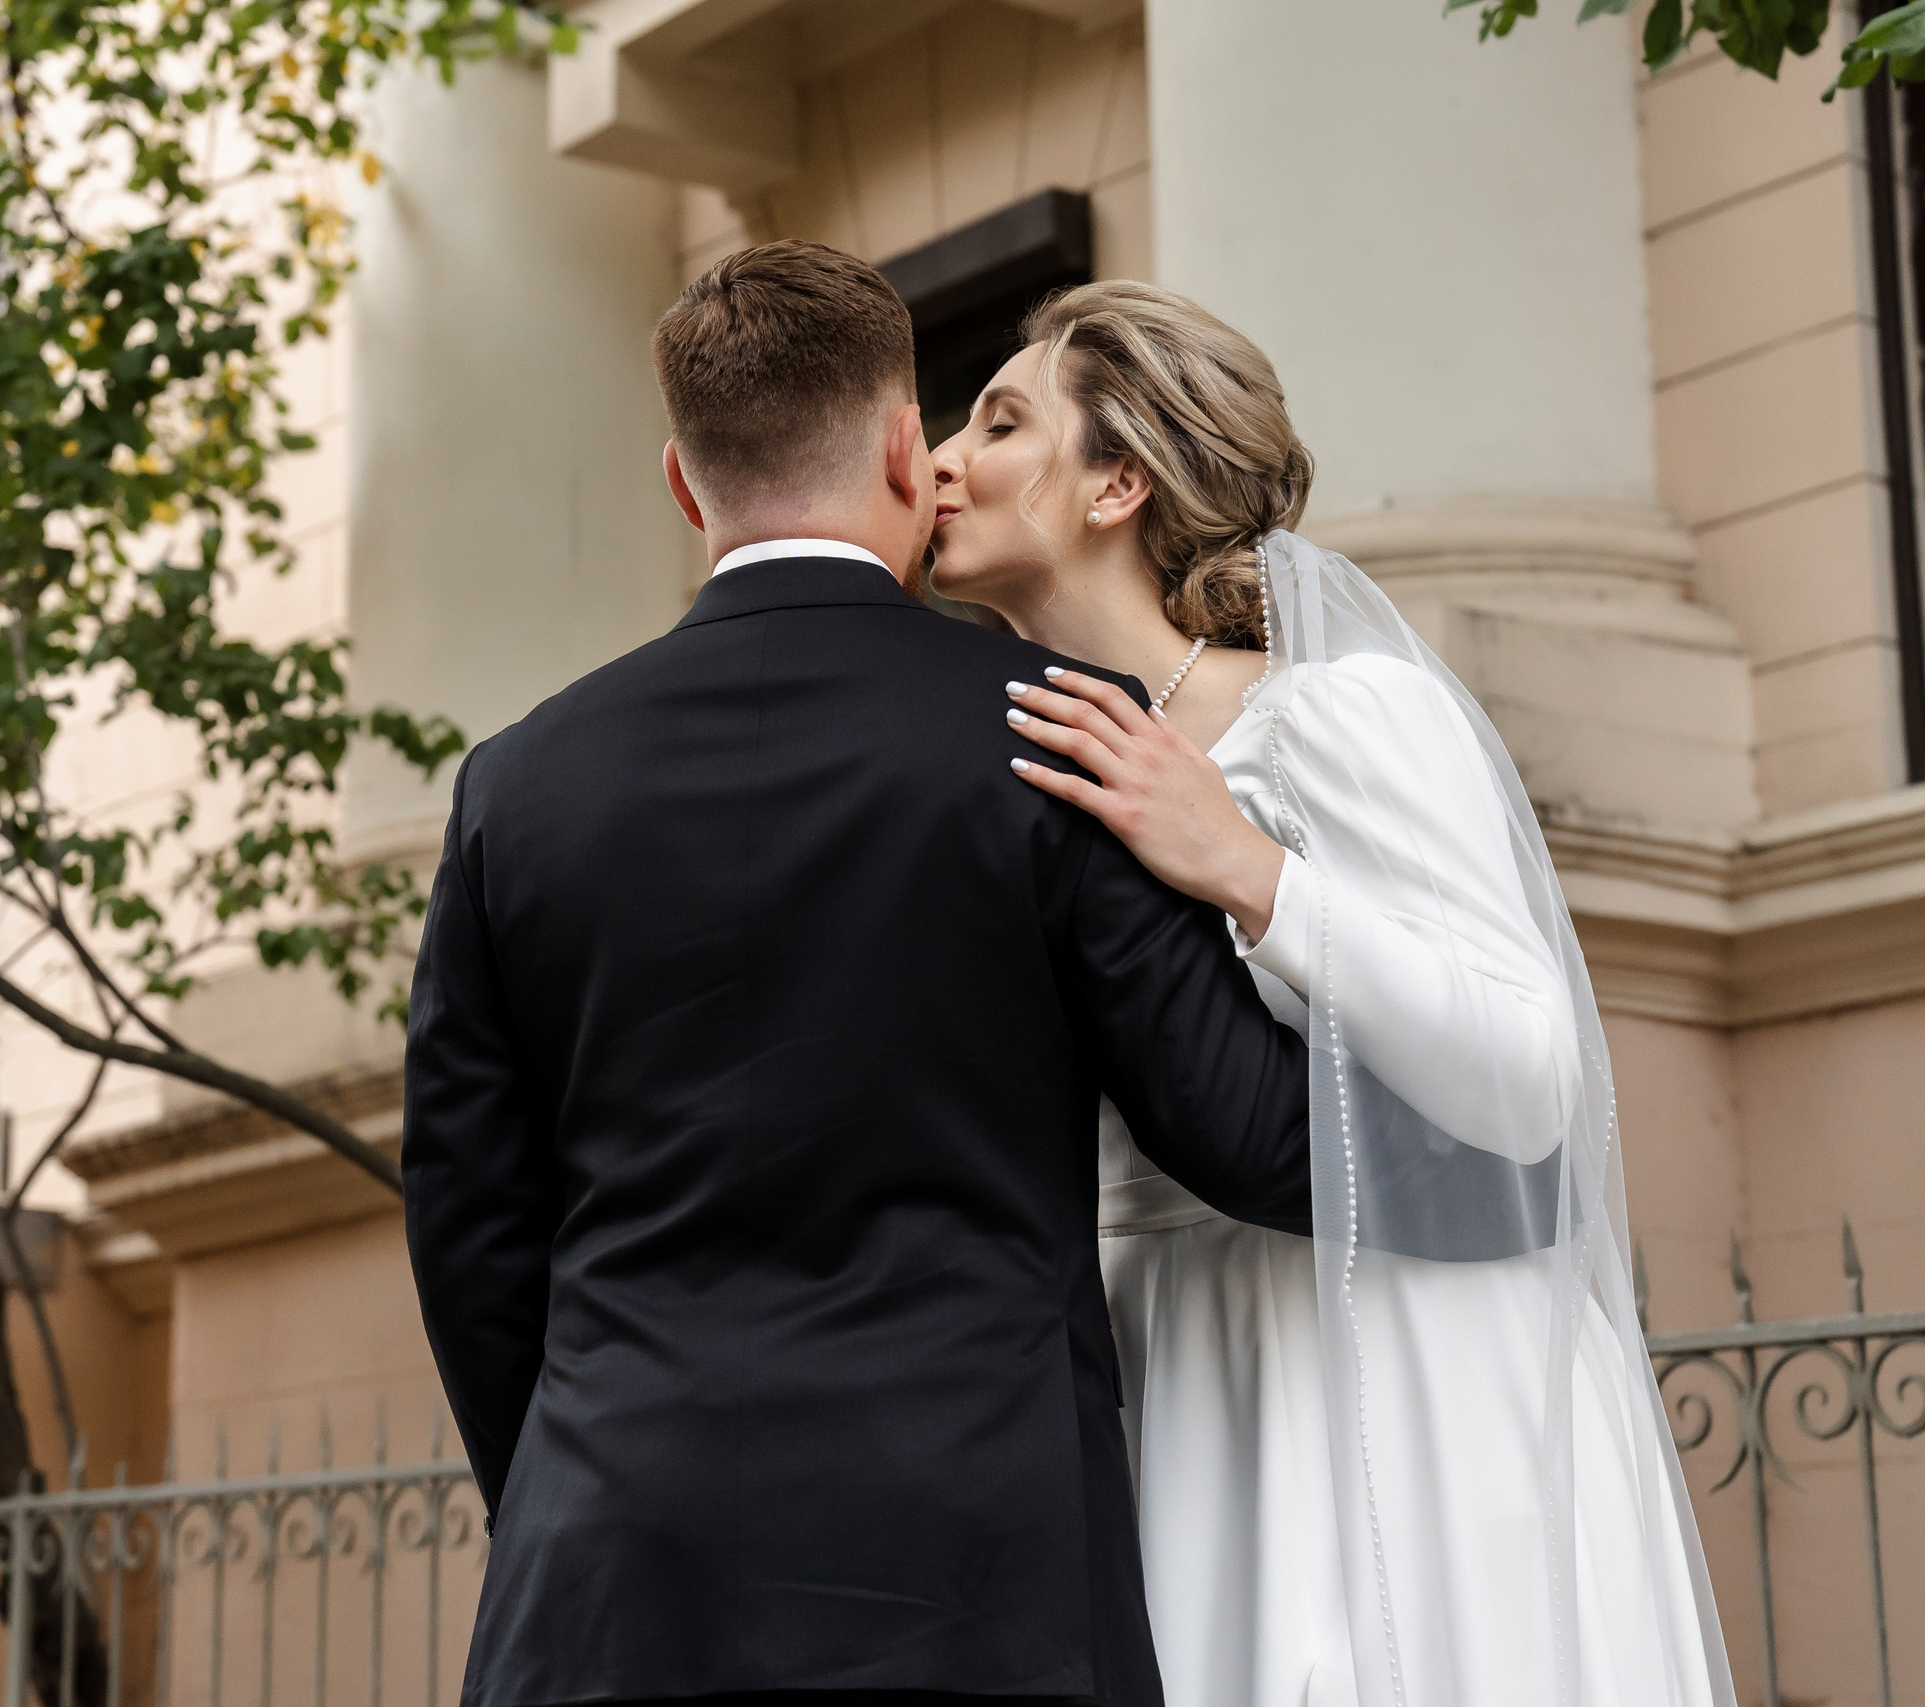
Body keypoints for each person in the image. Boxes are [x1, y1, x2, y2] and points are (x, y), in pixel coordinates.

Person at [402, 242, 1313, 1707]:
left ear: (684, 485)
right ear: (906, 448)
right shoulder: (1053, 734)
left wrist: (574, 1497)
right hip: (984, 1581)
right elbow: (1246, 1137)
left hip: (612, 1578)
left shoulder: (515, 787)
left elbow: (469, 1225)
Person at [928, 279, 1732, 1707]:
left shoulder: (1337, 716)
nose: (940, 459)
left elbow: (1532, 1072)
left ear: (1118, 481)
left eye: (996, 422)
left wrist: (1250, 871)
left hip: (1381, 1365)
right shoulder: (1008, 769)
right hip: (1159, 1365)